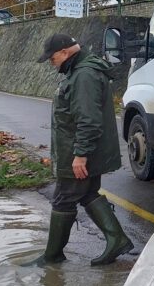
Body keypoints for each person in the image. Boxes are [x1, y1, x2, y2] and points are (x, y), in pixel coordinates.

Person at [24, 33, 133, 266]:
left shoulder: (84, 75)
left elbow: (88, 120)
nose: (52, 63)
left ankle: (52, 256)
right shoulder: (82, 70)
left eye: (52, 58)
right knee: (87, 193)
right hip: (85, 150)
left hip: (79, 153)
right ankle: (117, 239)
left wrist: (80, 155)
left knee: (63, 199)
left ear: (64, 52)